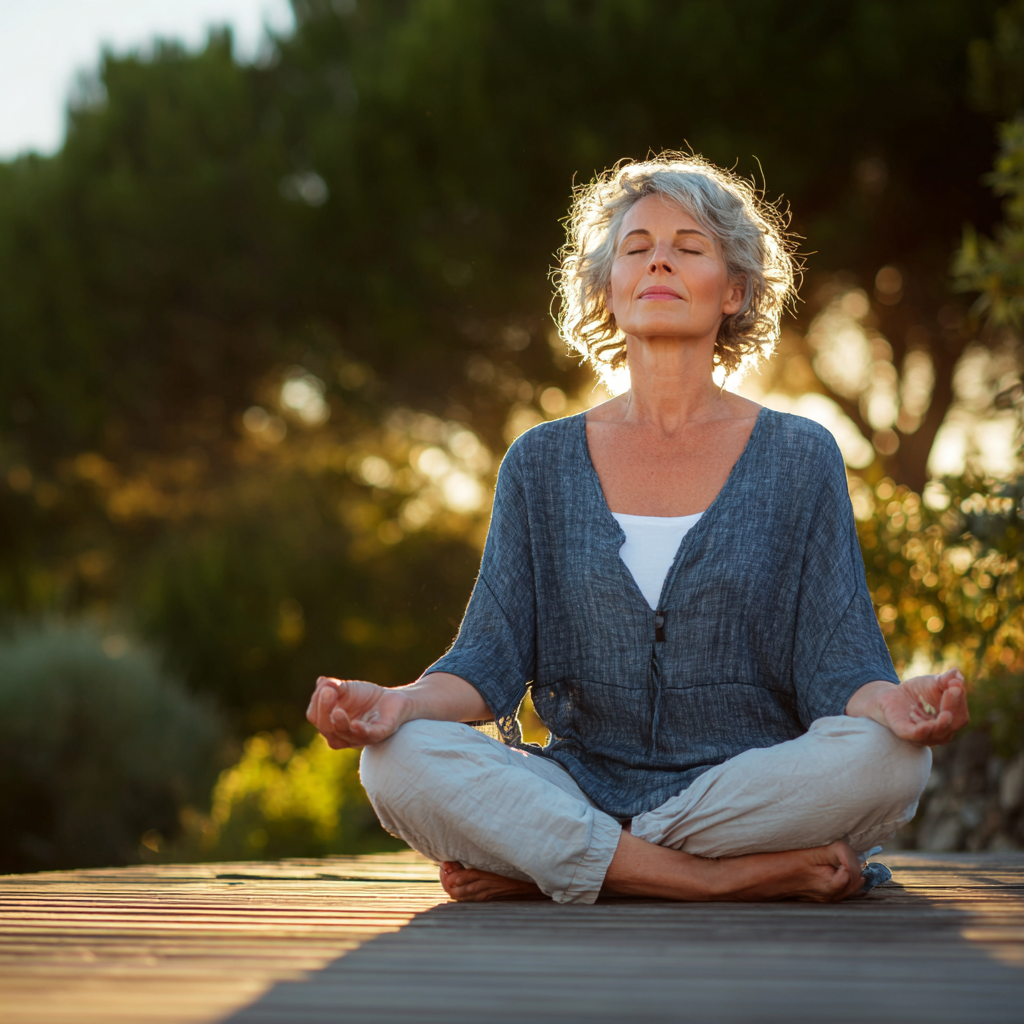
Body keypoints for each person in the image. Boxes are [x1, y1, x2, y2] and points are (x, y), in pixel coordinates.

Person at [307, 153, 969, 904]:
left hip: (737, 790)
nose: (659, 258)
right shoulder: (540, 463)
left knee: (893, 763)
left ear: (736, 291)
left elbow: (840, 664)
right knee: (394, 761)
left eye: (689, 247)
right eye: (636, 248)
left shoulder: (799, 456)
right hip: (580, 781)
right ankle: (700, 878)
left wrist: (900, 706)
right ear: (609, 289)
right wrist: (396, 704)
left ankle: (569, 858)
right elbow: (486, 665)